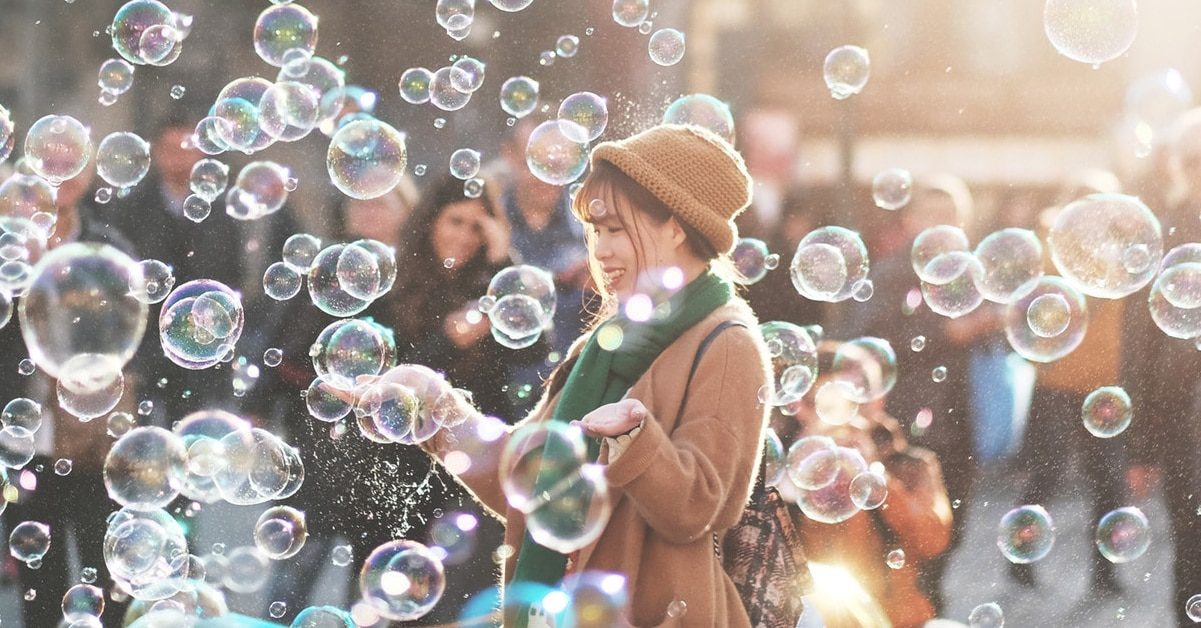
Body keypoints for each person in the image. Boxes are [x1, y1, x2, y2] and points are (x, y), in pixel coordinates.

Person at [417, 124, 771, 626]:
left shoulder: (726, 342)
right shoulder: (607, 340)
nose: (599, 251)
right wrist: (437, 409)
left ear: (674, 226)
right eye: (595, 231)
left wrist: (636, 439)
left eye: (617, 230)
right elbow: (526, 480)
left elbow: (699, 508)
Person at [260, 174, 513, 625]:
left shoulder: (492, 285)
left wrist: (501, 259)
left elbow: (533, 344)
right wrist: (448, 339)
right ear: (430, 221)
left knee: (458, 608)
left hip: (469, 479)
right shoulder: (395, 281)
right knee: (383, 600)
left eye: (479, 227)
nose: (465, 236)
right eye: (455, 221)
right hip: (398, 474)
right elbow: (387, 371)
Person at [0, 166, 134, 627]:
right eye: (48, 168)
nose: (61, 178)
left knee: (107, 558)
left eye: (71, 165)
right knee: (40, 574)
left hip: (94, 434)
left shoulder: (111, 249)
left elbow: (138, 335)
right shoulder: (8, 252)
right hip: (27, 433)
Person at [777, 362, 953, 628]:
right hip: (828, 618)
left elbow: (933, 540)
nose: (835, 416)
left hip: (901, 620)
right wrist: (809, 472)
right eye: (819, 405)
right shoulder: (789, 476)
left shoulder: (912, 465)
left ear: (875, 403)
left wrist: (875, 473)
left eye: (845, 402)